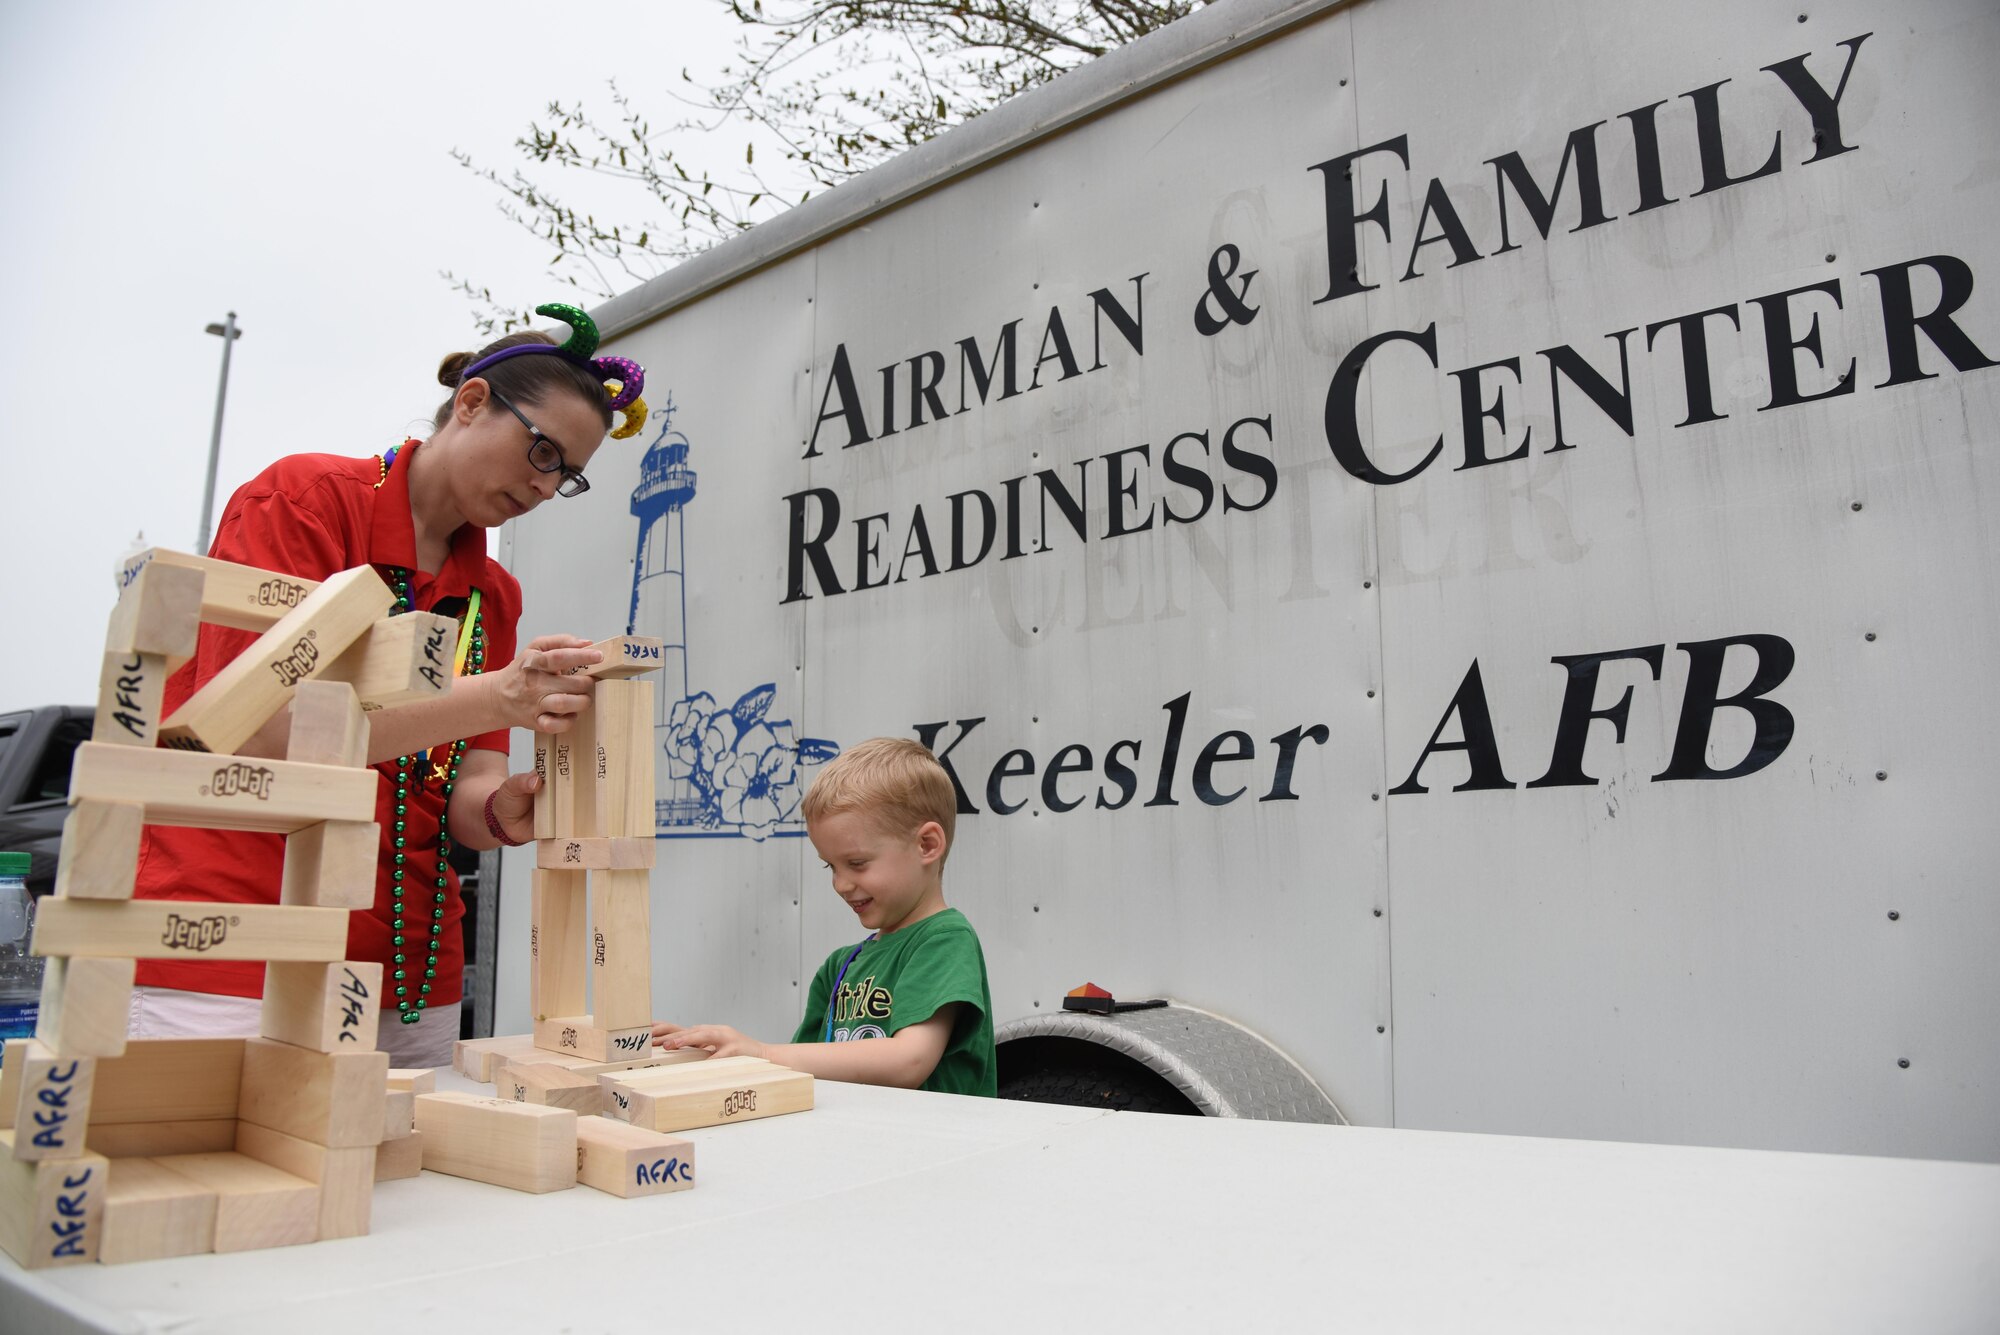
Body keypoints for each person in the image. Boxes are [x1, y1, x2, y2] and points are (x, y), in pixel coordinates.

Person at [129, 304, 649, 1068]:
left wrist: (514, 807)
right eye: (542, 451)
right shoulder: (304, 501)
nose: (545, 486)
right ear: (471, 403)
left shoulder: (491, 595)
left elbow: (469, 797)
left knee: (408, 1184)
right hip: (234, 943)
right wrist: (498, 696)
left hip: (409, 972)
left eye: (567, 475)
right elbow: (263, 736)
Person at [653, 737, 997, 1095]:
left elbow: (909, 1060)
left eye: (857, 863)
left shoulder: (945, 939)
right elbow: (802, 1066)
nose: (841, 884)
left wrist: (761, 1053)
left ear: (927, 845)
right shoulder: (840, 966)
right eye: (830, 866)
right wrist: (720, 1053)